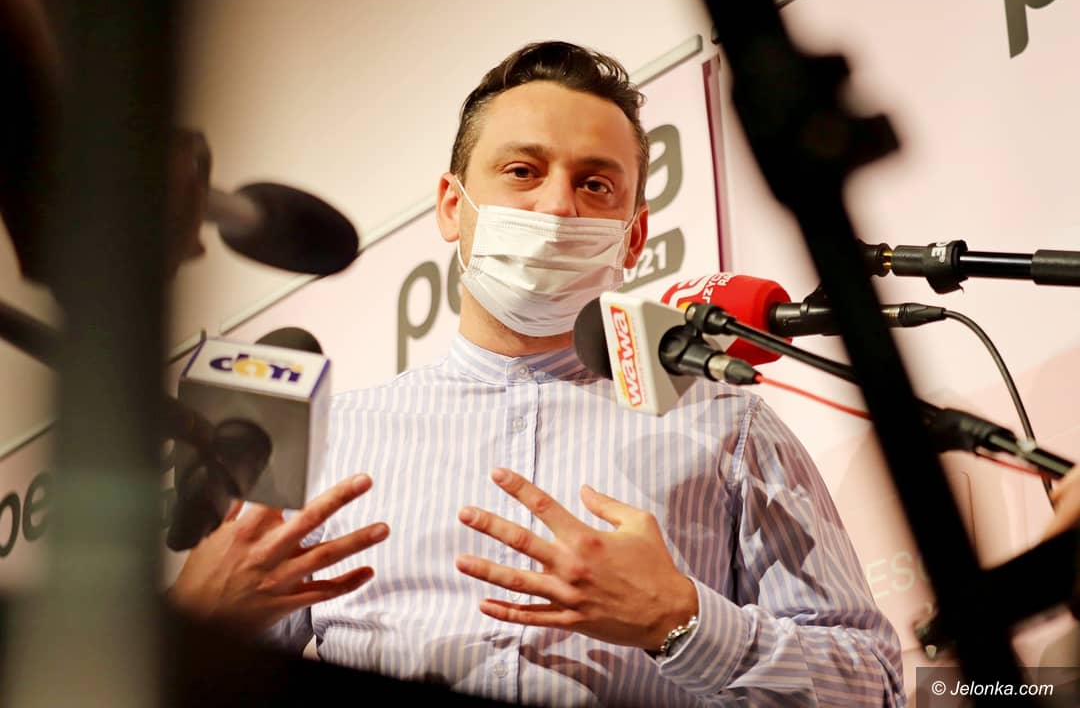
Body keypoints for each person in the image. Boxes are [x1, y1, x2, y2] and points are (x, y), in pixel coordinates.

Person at [170, 41, 905, 706]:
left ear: (635, 236)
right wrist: (195, 618)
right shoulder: (331, 442)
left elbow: (874, 685)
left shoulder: (726, 423)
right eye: (522, 172)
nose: (557, 206)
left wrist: (680, 619)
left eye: (596, 185)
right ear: (452, 207)